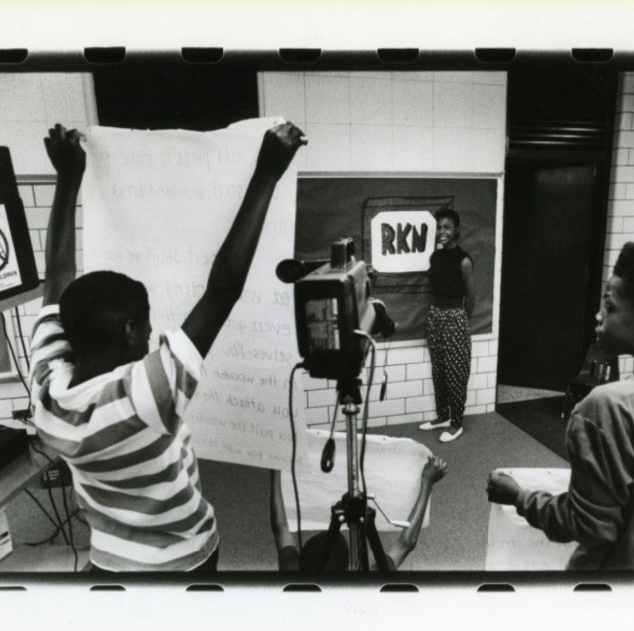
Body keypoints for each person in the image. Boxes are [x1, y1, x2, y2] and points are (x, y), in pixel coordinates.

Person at [28, 122, 306, 573]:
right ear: (129, 331)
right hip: (184, 559)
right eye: (147, 325)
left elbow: (57, 276)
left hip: (111, 561)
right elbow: (224, 289)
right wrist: (267, 173)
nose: (153, 335)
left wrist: (67, 178)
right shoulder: (148, 394)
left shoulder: (47, 390)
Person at [486, 242, 634, 570]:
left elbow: (587, 525)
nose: (598, 315)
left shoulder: (607, 409)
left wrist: (518, 496)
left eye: (610, 306)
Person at [270, 456, 449, 571]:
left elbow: (280, 529)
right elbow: (406, 543)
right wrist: (427, 482)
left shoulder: (293, 574)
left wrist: (275, 469)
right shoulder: (367, 584)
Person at [417, 208, 475, 443]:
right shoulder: (435, 257)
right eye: (439, 227)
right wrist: (438, 316)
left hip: (455, 316)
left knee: (455, 373)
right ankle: (443, 416)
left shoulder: (464, 260)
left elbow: (471, 297)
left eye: (447, 227)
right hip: (435, 315)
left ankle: (457, 422)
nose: (442, 232)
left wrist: (461, 321)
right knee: (438, 370)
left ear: (457, 230)